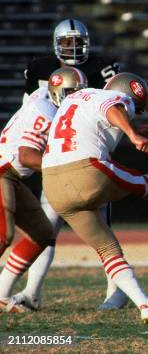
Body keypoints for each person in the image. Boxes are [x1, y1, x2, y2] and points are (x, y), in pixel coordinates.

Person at [40, 72, 148, 325]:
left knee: (107, 249)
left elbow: (90, 124)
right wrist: (134, 135)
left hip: (51, 184)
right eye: (134, 108)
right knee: (143, 183)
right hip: (85, 171)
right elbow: (113, 108)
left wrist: (130, 129)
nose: (132, 113)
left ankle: (146, 305)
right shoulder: (114, 97)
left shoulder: (73, 100)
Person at [17, 19, 124, 311]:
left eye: (77, 42)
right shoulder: (39, 69)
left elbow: (114, 108)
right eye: (66, 43)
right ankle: (31, 291)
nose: (73, 47)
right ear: (56, 44)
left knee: (103, 225)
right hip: (56, 153)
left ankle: (116, 291)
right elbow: (31, 110)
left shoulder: (103, 68)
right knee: (46, 226)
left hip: (89, 151)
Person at [0, 68, 86, 312]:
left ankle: (2, 293)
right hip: (3, 170)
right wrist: (63, 168)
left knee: (42, 232)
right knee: (4, 235)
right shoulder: (46, 111)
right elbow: (27, 156)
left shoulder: (43, 96)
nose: (74, 99)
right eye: (70, 93)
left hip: (12, 175)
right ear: (58, 92)